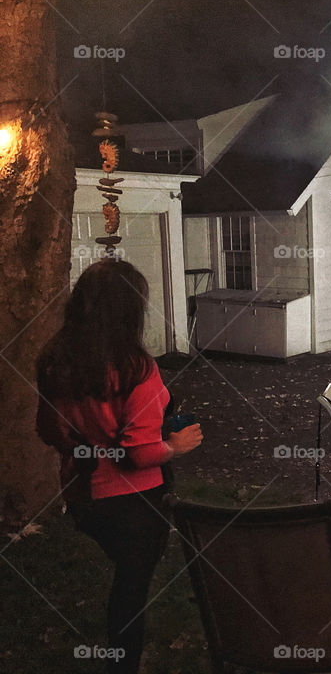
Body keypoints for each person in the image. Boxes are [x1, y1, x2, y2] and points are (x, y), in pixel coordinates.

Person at [35, 259, 203, 674]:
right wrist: (176, 445)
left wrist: (86, 445)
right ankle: (123, 664)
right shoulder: (137, 370)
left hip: (82, 496)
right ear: (130, 309)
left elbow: (48, 429)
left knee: (126, 578)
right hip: (135, 503)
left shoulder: (55, 361)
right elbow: (140, 454)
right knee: (131, 590)